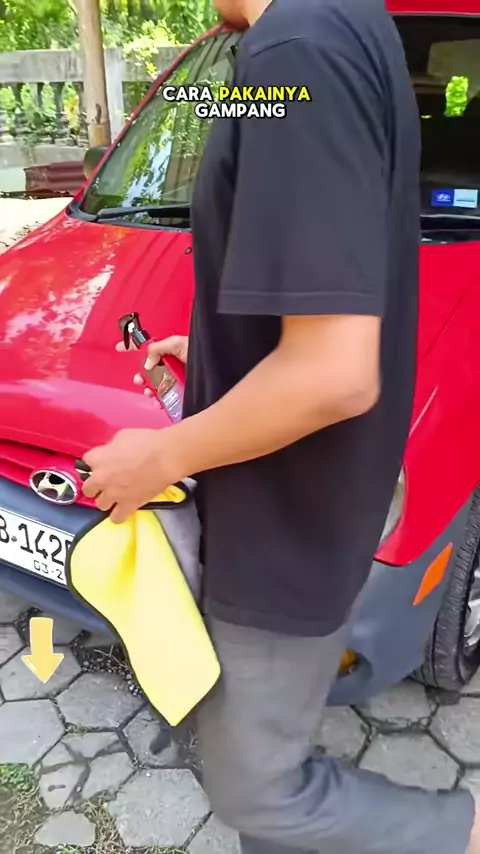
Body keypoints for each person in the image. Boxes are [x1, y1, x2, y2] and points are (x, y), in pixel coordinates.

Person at [82, 0, 480, 851]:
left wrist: (159, 456)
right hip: (304, 505)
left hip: (283, 525)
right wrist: (222, 349)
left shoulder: (298, 49)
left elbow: (333, 374)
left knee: (261, 793)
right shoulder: (345, 26)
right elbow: (334, 287)